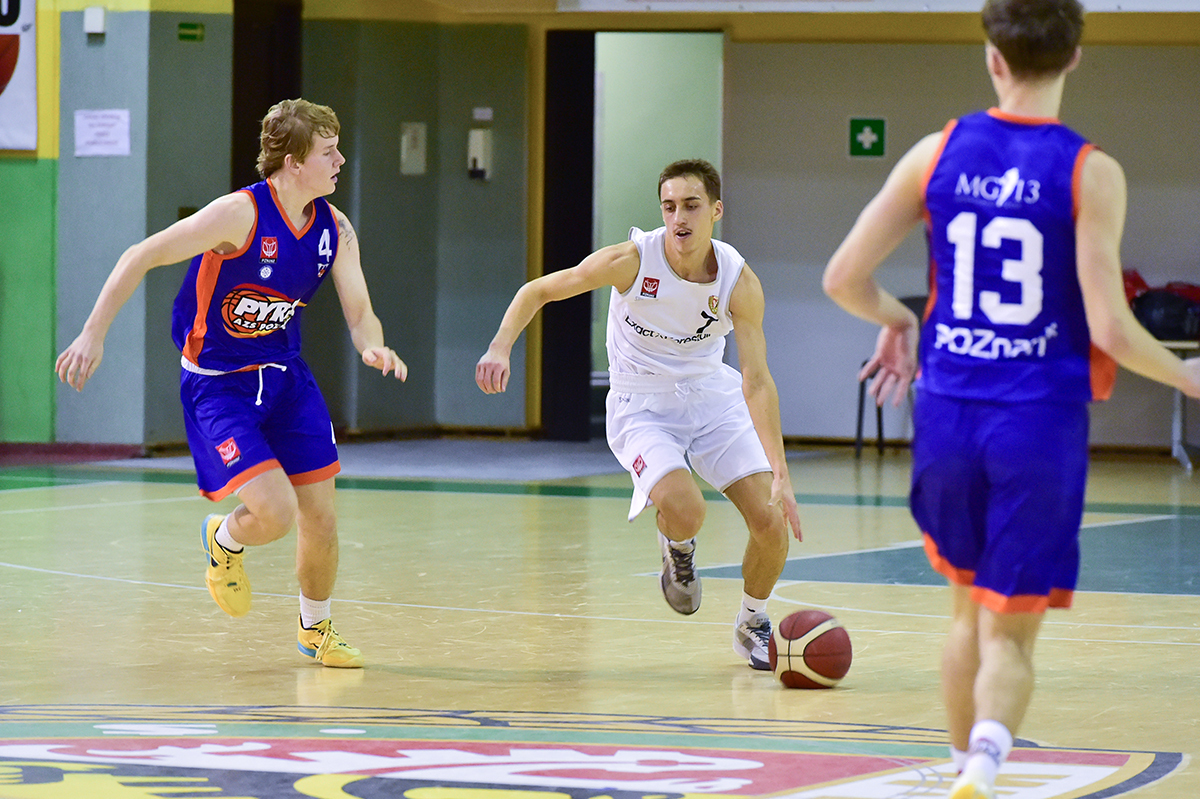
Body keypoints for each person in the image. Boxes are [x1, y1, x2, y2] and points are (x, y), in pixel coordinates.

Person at [823, 2, 1200, 797]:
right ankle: (987, 760)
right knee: (1012, 631)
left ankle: (964, 765)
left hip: (949, 415)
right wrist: (1188, 375)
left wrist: (900, 320)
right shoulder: (1090, 171)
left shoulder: (936, 153)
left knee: (965, 612)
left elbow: (842, 278)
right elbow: (1112, 327)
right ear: (1075, 57)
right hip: (1038, 422)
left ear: (994, 58)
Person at [55, 99, 408, 670]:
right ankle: (224, 539)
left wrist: (372, 344)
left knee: (321, 516)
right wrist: (92, 335)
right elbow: (140, 255)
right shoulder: (237, 216)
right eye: (328, 151)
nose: (341, 160)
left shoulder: (335, 227)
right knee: (275, 512)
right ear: (294, 162)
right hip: (219, 386)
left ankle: (315, 630)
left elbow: (361, 309)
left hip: (286, 379)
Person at [476, 159, 802, 669]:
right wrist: (499, 347)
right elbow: (537, 290)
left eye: (691, 205)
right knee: (688, 510)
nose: (679, 218)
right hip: (641, 403)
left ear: (716, 210)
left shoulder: (739, 282)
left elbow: (756, 380)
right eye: (669, 207)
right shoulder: (631, 260)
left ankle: (752, 622)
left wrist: (780, 467)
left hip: (711, 395)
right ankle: (678, 546)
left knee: (771, 521)